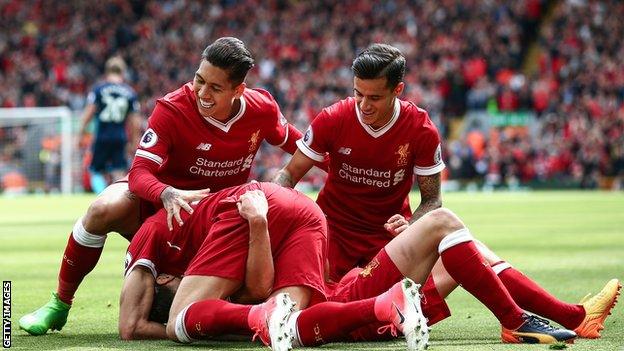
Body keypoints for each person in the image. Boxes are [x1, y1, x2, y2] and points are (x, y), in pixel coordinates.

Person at [273, 43, 620, 343]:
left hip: (391, 243)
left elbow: (432, 200)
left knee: (462, 246)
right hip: (336, 250)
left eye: (374, 97)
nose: (363, 105)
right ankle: (538, 319)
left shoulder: (420, 129)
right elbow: (288, 175)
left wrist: (412, 225)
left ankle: (567, 317)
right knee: (457, 241)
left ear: (398, 90)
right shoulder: (334, 119)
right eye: (357, 94)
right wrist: (272, 214)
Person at [19, 37, 309, 336]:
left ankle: (256, 315)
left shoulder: (261, 109)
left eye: (215, 87)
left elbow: (302, 146)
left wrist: (338, 156)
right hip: (163, 205)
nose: (202, 93)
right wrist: (166, 193)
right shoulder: (173, 108)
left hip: (218, 217)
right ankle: (60, 304)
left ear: (238, 90)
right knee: (102, 209)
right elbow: (139, 173)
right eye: (199, 80)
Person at [118, 182, 327, 341]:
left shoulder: (151, 231)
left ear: (163, 277)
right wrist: (258, 223)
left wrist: (199, 327)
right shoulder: (217, 273)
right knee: (284, 326)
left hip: (245, 205)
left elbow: (130, 327)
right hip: (307, 213)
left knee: (178, 322)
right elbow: (259, 290)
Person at [77, 56, 142, 194]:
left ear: (107, 72)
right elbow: (134, 122)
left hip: (101, 136)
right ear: (123, 72)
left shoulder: (98, 89)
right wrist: (134, 142)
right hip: (120, 137)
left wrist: (80, 134)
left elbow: (88, 114)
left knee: (95, 170)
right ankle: (116, 200)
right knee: (119, 171)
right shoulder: (130, 93)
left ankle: (101, 197)